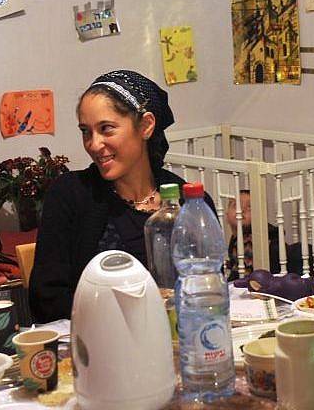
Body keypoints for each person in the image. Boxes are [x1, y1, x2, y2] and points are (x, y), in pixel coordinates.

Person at [29, 70, 215, 322]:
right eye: (86, 131)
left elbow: (209, 288)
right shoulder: (70, 195)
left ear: (146, 125)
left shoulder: (189, 202)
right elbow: (47, 300)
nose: (94, 144)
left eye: (106, 129)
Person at [224, 190, 314, 282]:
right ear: (226, 214)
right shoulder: (235, 239)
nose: (241, 210)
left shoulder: (252, 240)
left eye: (249, 207)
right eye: (236, 205)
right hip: (290, 262)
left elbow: (244, 273)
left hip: (297, 263)